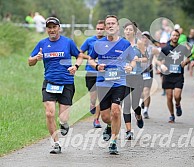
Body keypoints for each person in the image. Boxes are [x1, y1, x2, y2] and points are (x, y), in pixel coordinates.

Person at [28, 17, 84, 154]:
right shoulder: (42, 43)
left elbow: (80, 55)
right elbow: (30, 61)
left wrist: (75, 66)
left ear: (59, 28)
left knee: (63, 118)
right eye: (49, 27)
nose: (52, 30)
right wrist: (36, 58)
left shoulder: (67, 42)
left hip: (66, 83)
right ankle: (56, 143)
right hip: (49, 83)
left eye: (54, 27)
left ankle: (64, 124)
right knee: (49, 113)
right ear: (46, 29)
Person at [88, 15, 136, 154]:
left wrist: (130, 67)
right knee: (105, 117)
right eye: (108, 24)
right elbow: (91, 59)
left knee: (116, 110)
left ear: (117, 26)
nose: (110, 26)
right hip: (103, 83)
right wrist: (97, 66)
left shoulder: (125, 44)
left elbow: (133, 60)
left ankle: (113, 142)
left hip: (119, 82)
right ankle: (108, 126)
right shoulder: (99, 44)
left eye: (112, 23)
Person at [156, 30, 190, 123]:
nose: (175, 37)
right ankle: (171, 115)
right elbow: (158, 60)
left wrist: (185, 62)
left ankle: (178, 105)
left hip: (178, 75)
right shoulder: (165, 49)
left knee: (177, 96)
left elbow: (190, 57)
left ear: (179, 37)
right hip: (168, 76)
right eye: (173, 35)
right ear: (170, 37)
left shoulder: (182, 48)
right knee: (169, 97)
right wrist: (162, 66)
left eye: (176, 35)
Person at [123, 22, 147, 140]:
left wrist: (138, 59)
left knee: (135, 105)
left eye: (130, 30)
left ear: (134, 31)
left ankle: (138, 115)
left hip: (137, 76)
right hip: (125, 77)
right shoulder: (120, 43)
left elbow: (146, 58)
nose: (127, 31)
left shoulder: (139, 43)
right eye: (126, 29)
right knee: (126, 104)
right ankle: (128, 131)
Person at [80, 20, 105, 128]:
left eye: (101, 29)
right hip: (91, 71)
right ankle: (91, 103)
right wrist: (90, 58)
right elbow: (79, 53)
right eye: (98, 29)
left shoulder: (107, 41)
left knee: (101, 96)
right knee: (93, 97)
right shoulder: (89, 40)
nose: (99, 31)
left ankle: (96, 120)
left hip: (102, 72)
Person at [140, 31, 160, 119]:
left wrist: (159, 67)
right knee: (140, 93)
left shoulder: (152, 49)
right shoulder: (137, 48)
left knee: (146, 91)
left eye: (147, 37)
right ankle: (142, 101)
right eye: (143, 37)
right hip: (138, 72)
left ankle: (145, 111)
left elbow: (159, 58)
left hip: (148, 72)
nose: (145, 39)